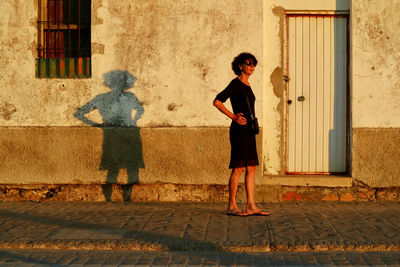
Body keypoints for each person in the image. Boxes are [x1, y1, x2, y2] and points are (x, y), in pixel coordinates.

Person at [213, 53, 270, 216]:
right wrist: (234, 117)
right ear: (240, 66)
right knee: (238, 168)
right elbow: (217, 101)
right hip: (239, 130)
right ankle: (231, 206)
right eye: (248, 63)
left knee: (251, 167)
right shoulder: (235, 84)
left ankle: (251, 205)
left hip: (249, 130)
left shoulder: (248, 85)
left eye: (254, 64)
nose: (252, 67)